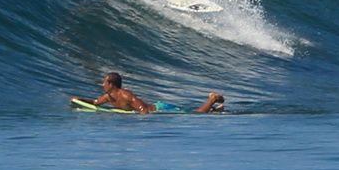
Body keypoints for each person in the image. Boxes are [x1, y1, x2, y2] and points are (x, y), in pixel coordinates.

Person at [72, 72, 225, 114]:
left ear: (111, 85)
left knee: (195, 114)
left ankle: (212, 100)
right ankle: (216, 110)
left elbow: (140, 107)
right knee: (190, 111)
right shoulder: (108, 96)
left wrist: (146, 121)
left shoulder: (125, 95)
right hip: (155, 109)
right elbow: (95, 103)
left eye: (104, 82)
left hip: (159, 108)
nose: (102, 84)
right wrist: (79, 100)